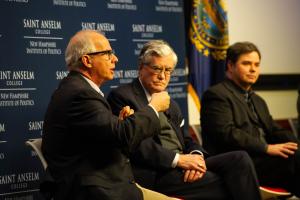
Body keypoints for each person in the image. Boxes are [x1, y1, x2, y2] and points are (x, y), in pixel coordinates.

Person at [107, 40, 262, 200]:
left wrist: (196, 157)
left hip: (184, 162)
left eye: (168, 70)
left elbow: (186, 139)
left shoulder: (171, 103)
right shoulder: (123, 97)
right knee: (229, 182)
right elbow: (138, 146)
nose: (162, 76)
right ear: (141, 68)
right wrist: (179, 161)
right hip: (157, 171)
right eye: (156, 69)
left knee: (240, 159)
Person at [41, 30, 180, 200]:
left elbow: (104, 137)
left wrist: (122, 122)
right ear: (87, 60)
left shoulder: (80, 89)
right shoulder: (80, 94)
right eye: (107, 54)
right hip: (95, 190)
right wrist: (153, 108)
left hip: (111, 182)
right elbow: (123, 136)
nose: (115, 59)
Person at [201, 41, 300, 197]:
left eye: (257, 64)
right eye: (246, 63)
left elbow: (274, 129)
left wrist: (295, 144)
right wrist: (267, 148)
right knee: (294, 160)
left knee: (296, 154)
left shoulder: (258, 100)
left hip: (264, 160)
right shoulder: (216, 95)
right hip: (241, 163)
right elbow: (226, 134)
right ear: (230, 66)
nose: (253, 69)